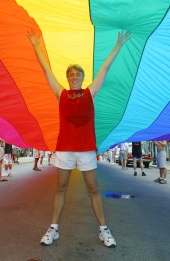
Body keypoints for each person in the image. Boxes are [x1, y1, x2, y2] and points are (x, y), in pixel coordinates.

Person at [27, 29, 130, 248]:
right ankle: (53, 229)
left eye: (78, 74)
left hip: (85, 150)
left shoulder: (90, 93)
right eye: (71, 74)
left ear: (83, 78)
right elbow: (46, 71)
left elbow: (105, 68)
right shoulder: (61, 94)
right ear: (68, 78)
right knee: (61, 188)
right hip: (64, 149)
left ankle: (104, 230)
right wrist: (36, 46)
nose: (74, 77)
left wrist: (118, 45)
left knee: (93, 189)